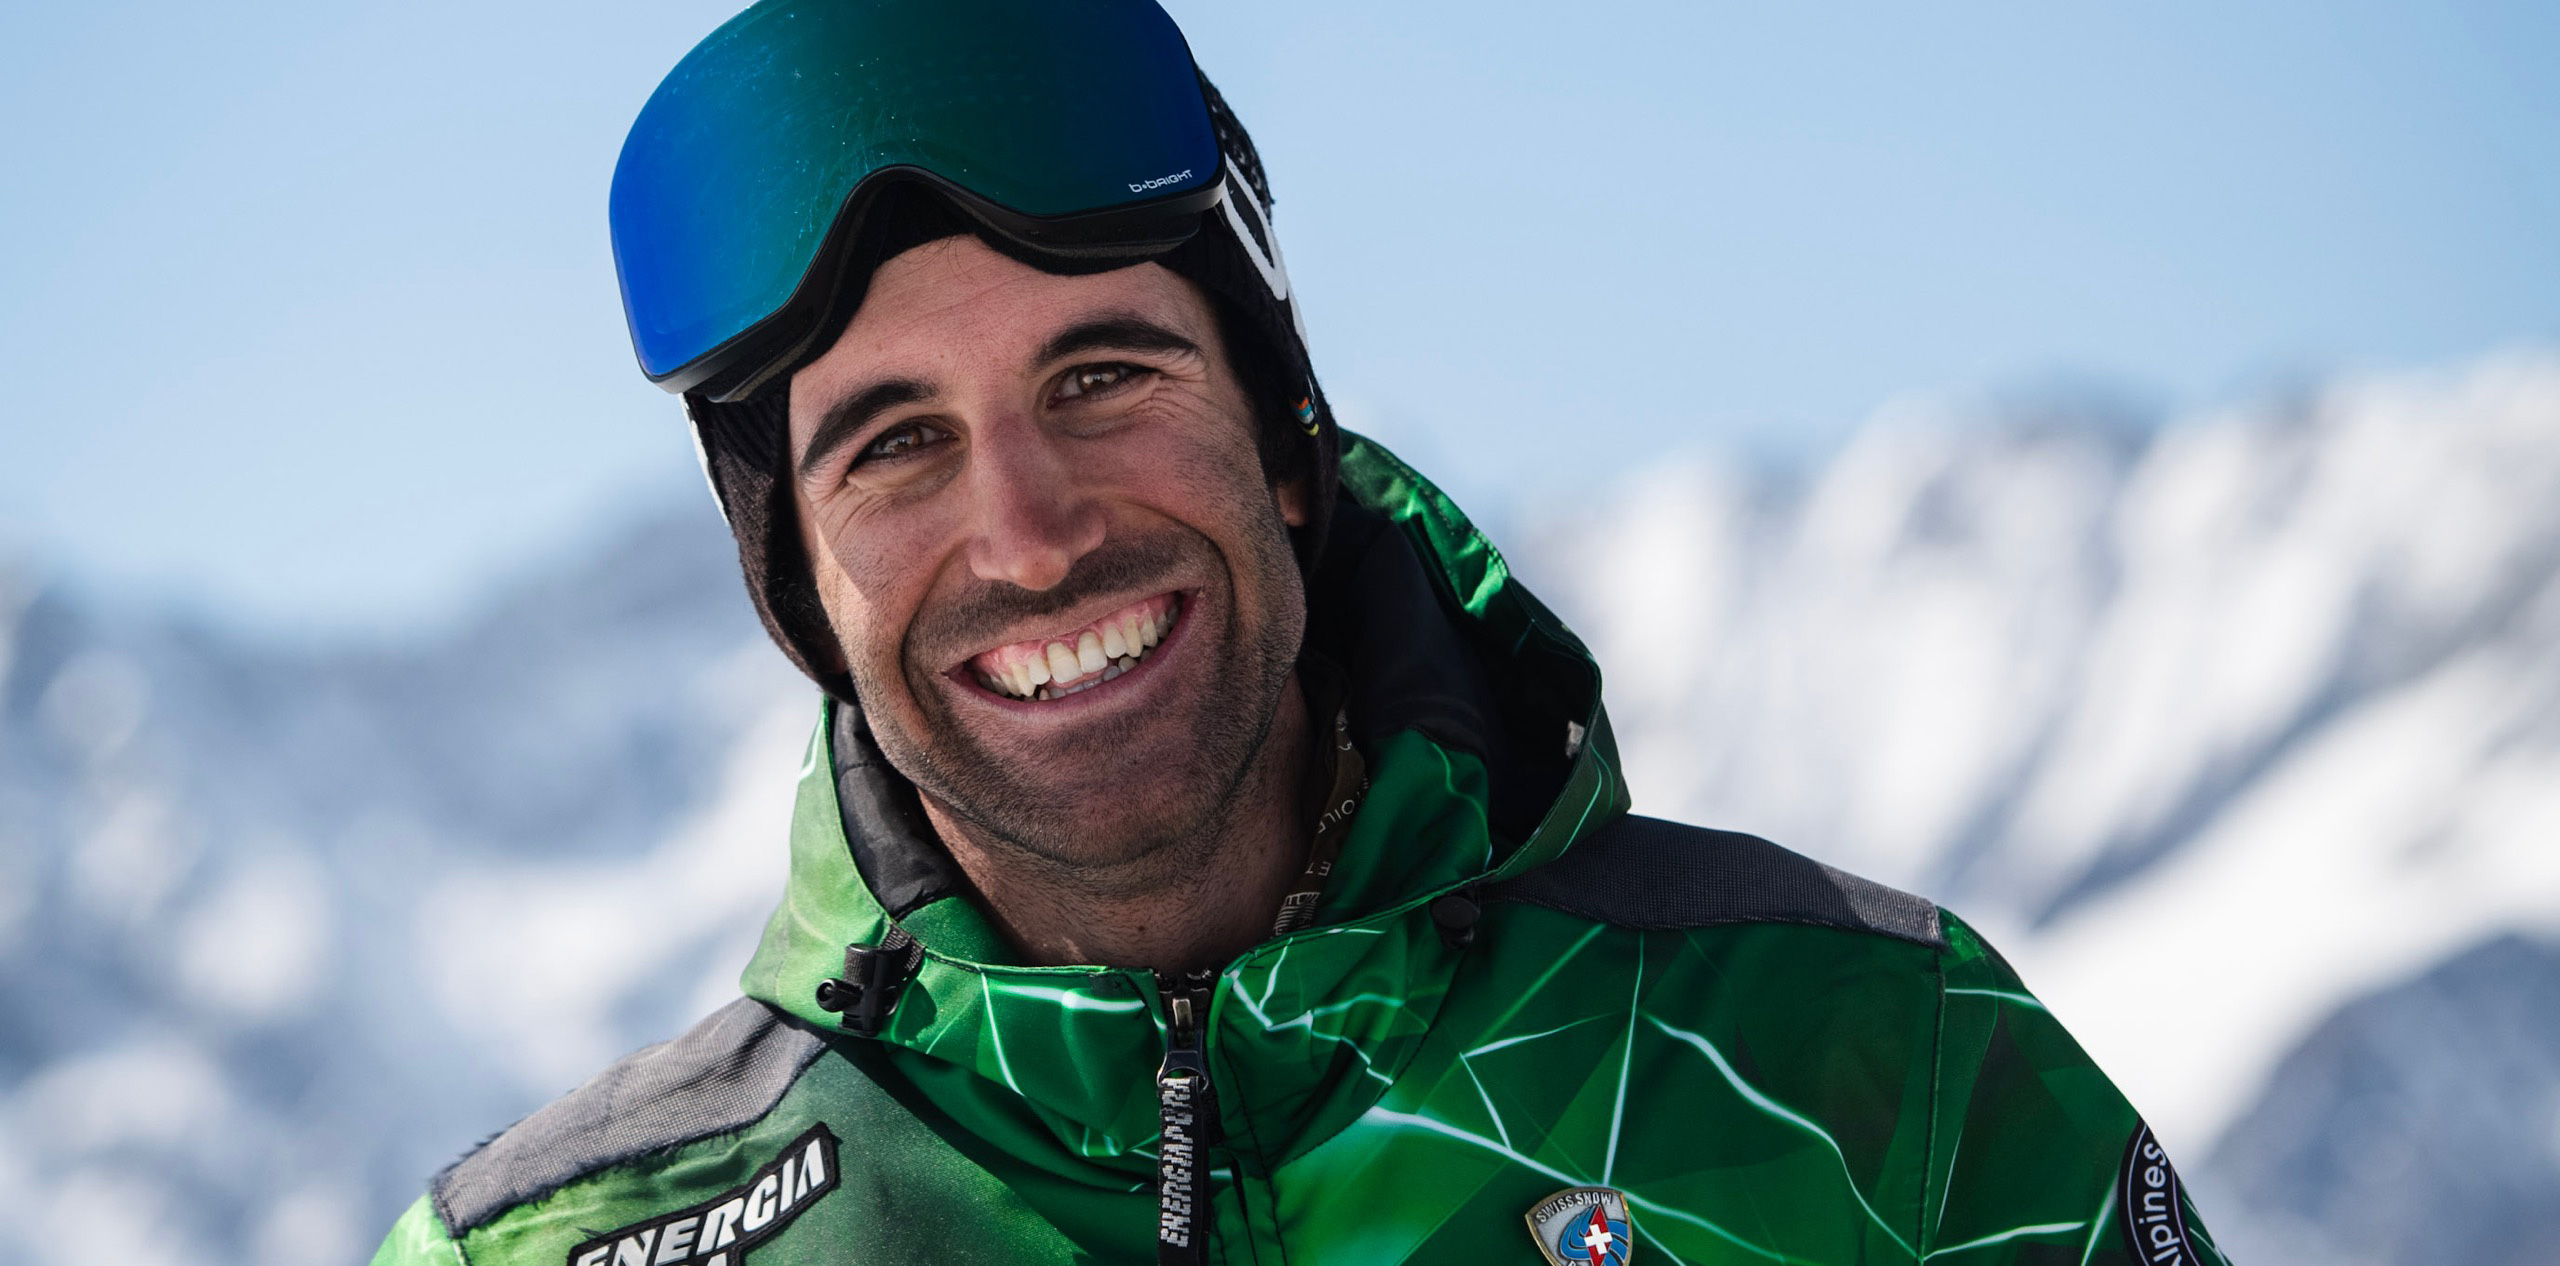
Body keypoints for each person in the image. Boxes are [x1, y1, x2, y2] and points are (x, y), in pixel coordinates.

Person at [372, 2, 2230, 1263]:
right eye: (897, 448)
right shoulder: (569, 1245)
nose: (1028, 532)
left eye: (1103, 374)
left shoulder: (1871, 1068)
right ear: (801, 589)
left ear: (1281, 444)